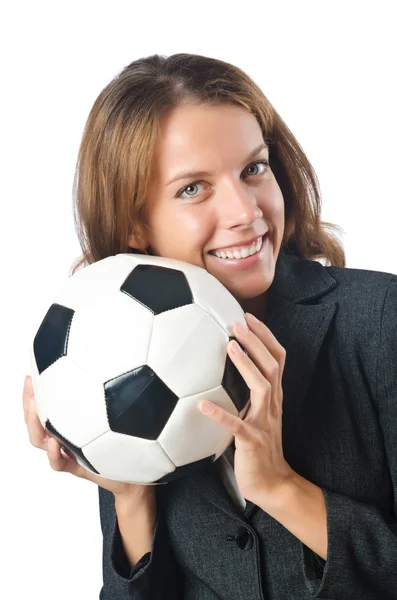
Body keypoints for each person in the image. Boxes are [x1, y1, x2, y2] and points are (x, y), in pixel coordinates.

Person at [22, 53, 397, 600]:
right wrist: (130, 496)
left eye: (254, 168)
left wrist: (280, 487)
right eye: (192, 188)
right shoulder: (117, 359)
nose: (245, 211)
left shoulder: (380, 320)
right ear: (135, 223)